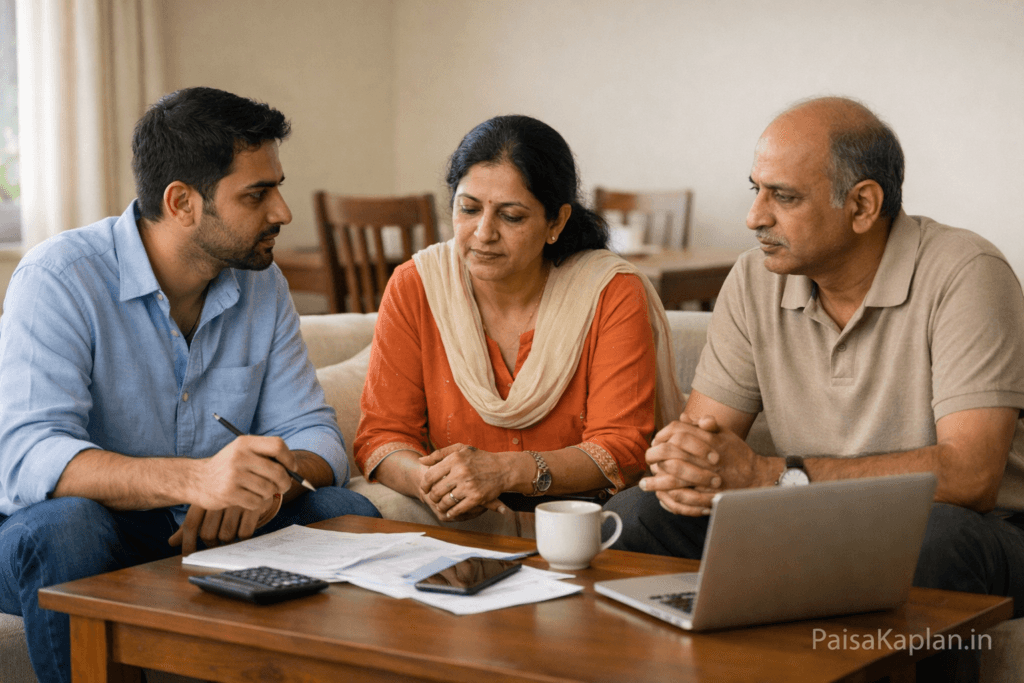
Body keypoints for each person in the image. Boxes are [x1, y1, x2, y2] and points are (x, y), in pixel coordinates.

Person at [0, 87, 380, 683]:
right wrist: (198, 478)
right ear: (181, 202)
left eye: (276, 186)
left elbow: (315, 434)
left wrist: (265, 486)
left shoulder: (263, 285)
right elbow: (29, 457)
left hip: (203, 528)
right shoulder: (59, 278)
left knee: (341, 508)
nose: (282, 211)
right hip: (61, 529)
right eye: (257, 194)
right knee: (69, 526)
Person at [606, 96, 1024, 620]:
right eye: (755, 190)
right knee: (635, 514)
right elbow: (706, 439)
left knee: (934, 540)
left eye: (783, 197)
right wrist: (684, 461)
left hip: (978, 527)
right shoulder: (754, 279)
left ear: (862, 206)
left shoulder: (967, 271)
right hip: (799, 517)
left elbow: (971, 476)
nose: (754, 216)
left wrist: (770, 476)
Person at [353, 115, 683, 525]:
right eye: (468, 209)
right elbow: (382, 435)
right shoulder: (417, 285)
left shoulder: (608, 292)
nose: (483, 233)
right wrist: (430, 482)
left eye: (511, 216)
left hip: (581, 519)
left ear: (556, 222)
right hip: (459, 518)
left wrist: (505, 471)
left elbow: (621, 448)